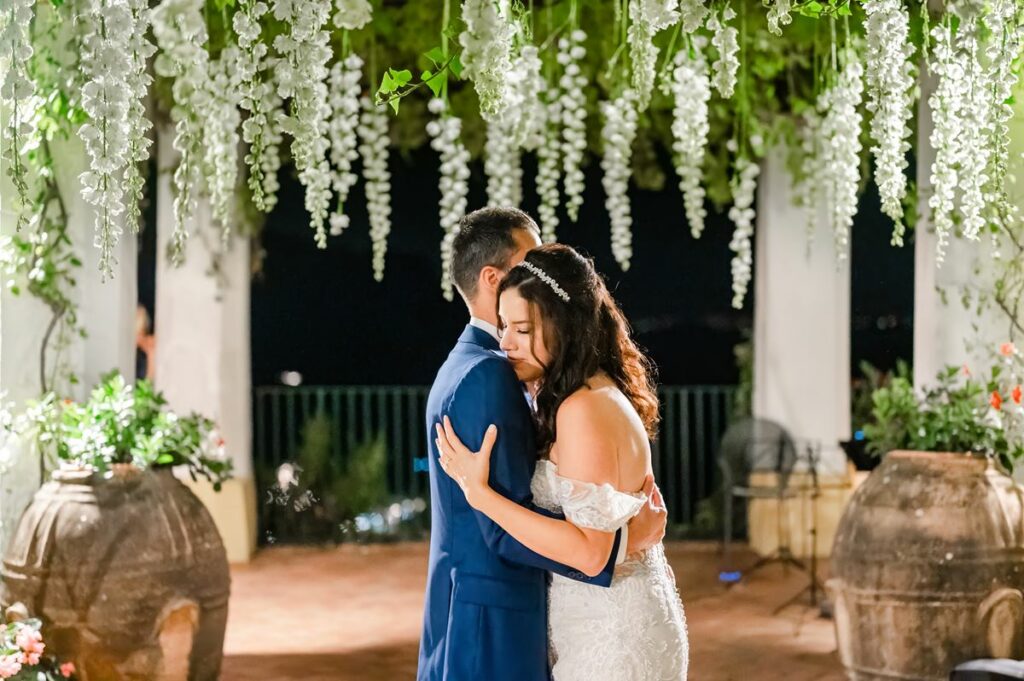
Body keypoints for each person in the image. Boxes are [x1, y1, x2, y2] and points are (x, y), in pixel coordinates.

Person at [417, 208, 668, 681]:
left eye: (523, 329)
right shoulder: (489, 373)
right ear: (495, 278)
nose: (540, 271)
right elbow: (499, 532)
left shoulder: (482, 369)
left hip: (600, 625)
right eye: (530, 262)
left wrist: (619, 541)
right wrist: (629, 541)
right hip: (499, 614)